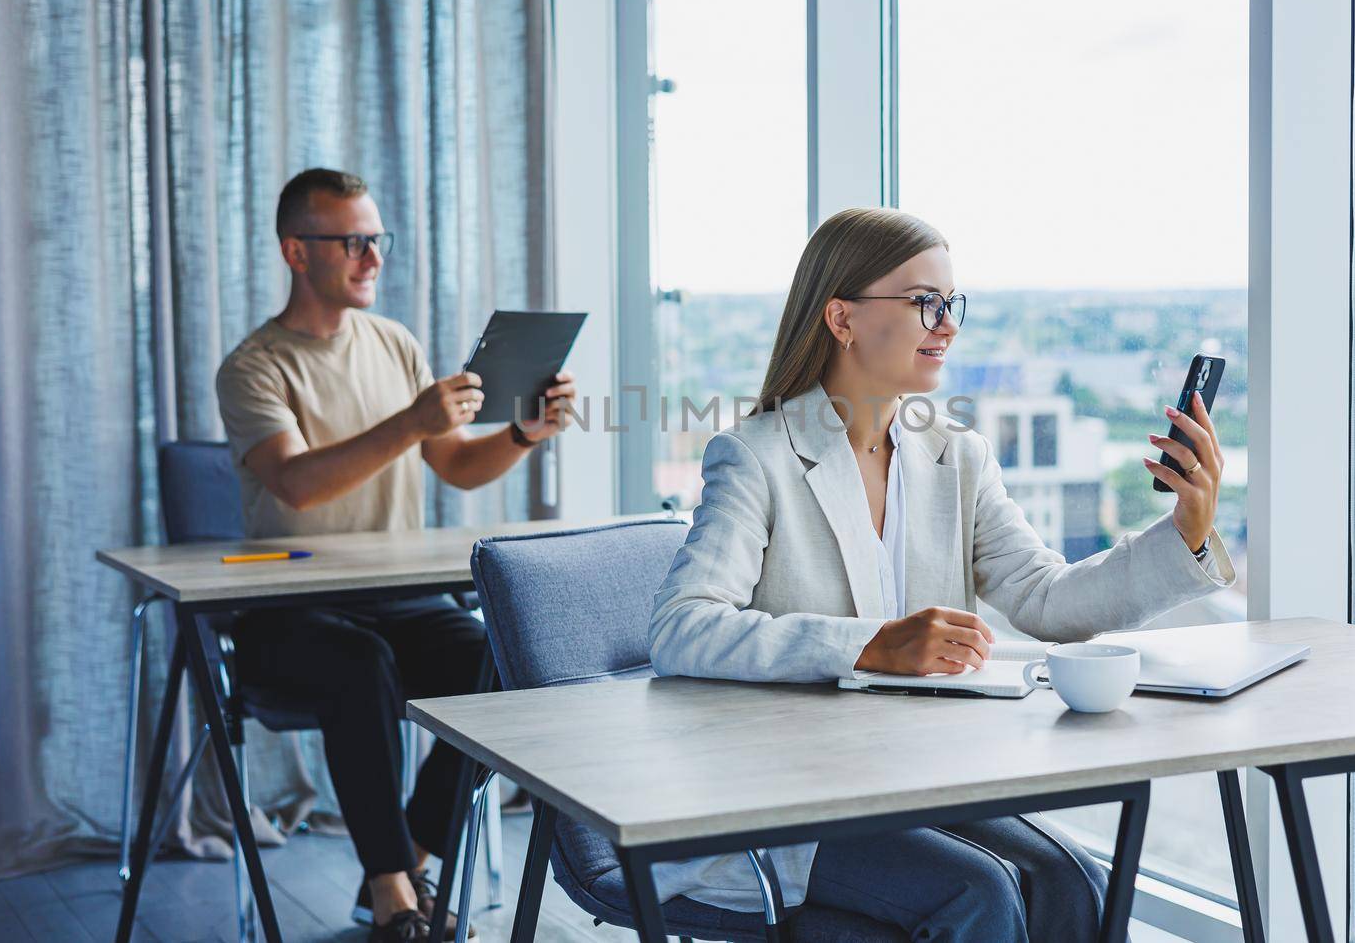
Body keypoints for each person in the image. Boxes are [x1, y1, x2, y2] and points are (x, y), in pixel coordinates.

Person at [648, 207, 1235, 941]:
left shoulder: (957, 457)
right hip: (792, 797)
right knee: (978, 892)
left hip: (918, 778)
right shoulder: (756, 456)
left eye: (952, 303)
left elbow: (1047, 599)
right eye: (925, 301)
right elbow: (681, 626)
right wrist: (870, 645)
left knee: (1071, 878)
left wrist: (1186, 531)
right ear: (842, 318)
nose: (947, 323)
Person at [216, 168, 575, 943]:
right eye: (352, 241)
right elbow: (297, 483)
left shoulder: (395, 344)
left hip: (398, 597)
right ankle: (392, 895)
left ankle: (404, 857)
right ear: (296, 252)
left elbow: (456, 466)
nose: (372, 256)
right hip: (289, 608)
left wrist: (522, 435)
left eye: (376, 239)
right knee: (358, 663)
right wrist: (410, 422)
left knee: (501, 662)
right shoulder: (253, 367)